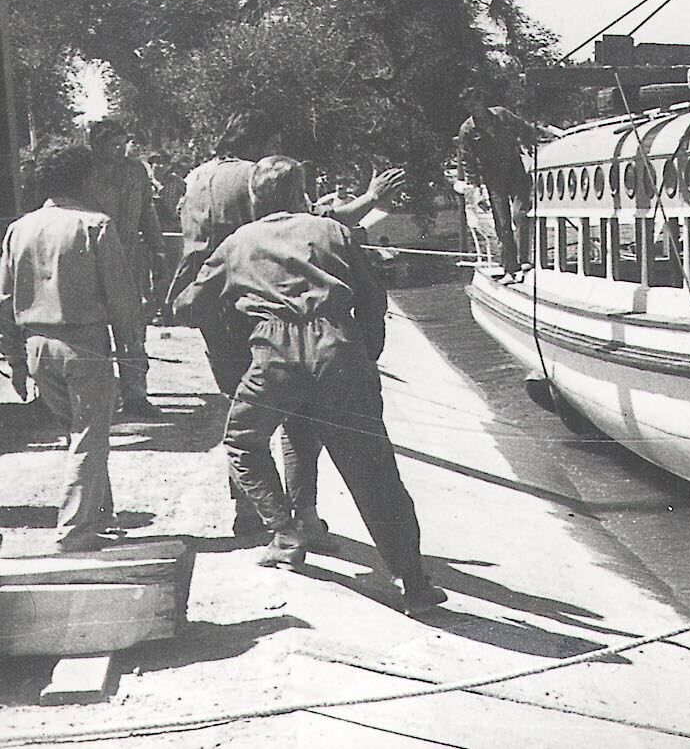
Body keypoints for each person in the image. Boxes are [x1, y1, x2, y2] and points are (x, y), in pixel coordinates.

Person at [175, 156, 445, 612]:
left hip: (273, 357)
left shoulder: (238, 243)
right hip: (339, 351)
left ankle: (285, 531)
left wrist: (241, 314)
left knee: (243, 442)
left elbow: (186, 307)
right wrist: (366, 354)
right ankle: (413, 582)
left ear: (255, 199)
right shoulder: (332, 232)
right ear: (302, 194)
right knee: (374, 470)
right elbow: (373, 299)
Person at [167, 112, 405, 541]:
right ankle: (303, 516)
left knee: (244, 421)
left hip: (219, 308)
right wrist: (371, 198)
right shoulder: (256, 176)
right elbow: (314, 226)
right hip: (271, 314)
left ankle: (253, 515)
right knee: (300, 422)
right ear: (265, 141)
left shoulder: (198, 177)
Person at [0, 142, 145, 552]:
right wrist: (132, 351)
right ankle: (75, 529)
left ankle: (100, 515)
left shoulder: (20, 228)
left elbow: (4, 300)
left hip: (36, 345)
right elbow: (121, 299)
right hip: (84, 345)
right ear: (86, 178)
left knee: (77, 433)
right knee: (89, 435)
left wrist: (15, 361)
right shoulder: (95, 225)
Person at [85, 119, 166, 416]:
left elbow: (147, 210)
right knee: (92, 328)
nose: (120, 151)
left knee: (132, 329)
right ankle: (99, 396)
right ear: (97, 146)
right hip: (91, 259)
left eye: (123, 144)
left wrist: (158, 248)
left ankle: (135, 395)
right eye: (113, 145)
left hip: (130, 257)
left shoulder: (136, 171)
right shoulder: (85, 172)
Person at [456, 87, 549, 279]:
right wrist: (476, 189)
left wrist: (530, 146)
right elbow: (468, 161)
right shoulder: (467, 130)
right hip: (494, 178)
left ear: (481, 100)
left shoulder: (502, 115)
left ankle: (524, 261)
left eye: (474, 103)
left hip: (516, 172)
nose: (472, 108)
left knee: (520, 215)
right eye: (468, 106)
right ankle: (510, 268)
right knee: (502, 224)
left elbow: (525, 130)